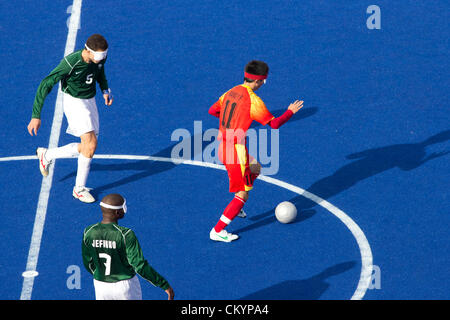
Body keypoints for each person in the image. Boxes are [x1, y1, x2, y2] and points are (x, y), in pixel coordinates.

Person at [208, 60, 304, 242]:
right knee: (243, 193)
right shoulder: (253, 101)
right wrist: (290, 111)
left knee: (256, 168)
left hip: (223, 147)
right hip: (235, 152)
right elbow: (274, 124)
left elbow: (213, 110)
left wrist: (232, 119)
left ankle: (236, 206)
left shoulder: (231, 91)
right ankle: (218, 230)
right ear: (259, 81)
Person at [27, 34, 113, 203]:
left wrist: (105, 89)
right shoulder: (71, 63)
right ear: (88, 51)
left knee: (87, 147)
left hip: (90, 101)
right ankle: (79, 189)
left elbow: (100, 72)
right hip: (74, 102)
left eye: (104, 55)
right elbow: (46, 84)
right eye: (99, 55)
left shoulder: (99, 58)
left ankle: (47, 155)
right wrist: (36, 115)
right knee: (91, 144)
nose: (102, 58)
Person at [81, 193, 175, 300]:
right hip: (125, 286)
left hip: (101, 285)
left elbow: (88, 262)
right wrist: (163, 284)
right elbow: (139, 265)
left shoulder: (88, 232)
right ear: (117, 212)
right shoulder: (126, 234)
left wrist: (100, 274)